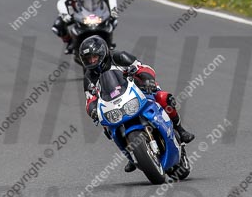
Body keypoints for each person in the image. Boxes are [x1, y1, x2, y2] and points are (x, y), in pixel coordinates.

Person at [79, 36, 195, 172]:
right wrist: (93, 110)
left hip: (140, 89)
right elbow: (90, 99)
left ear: (102, 52)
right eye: (88, 59)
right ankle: (132, 154)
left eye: (94, 57)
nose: (92, 61)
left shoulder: (119, 57)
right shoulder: (89, 77)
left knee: (164, 98)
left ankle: (180, 130)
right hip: (114, 103)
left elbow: (143, 68)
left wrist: (148, 80)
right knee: (107, 126)